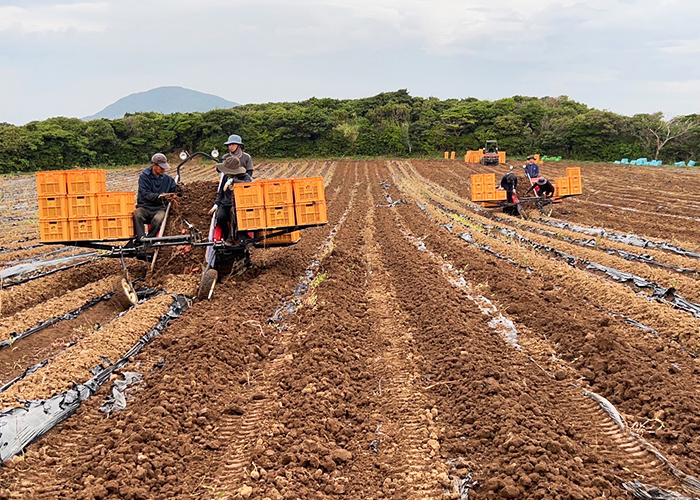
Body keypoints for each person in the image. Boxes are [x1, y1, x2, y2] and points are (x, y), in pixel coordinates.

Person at [133, 153, 179, 242]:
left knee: (158, 219)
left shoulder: (168, 179)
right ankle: (141, 239)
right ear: (154, 165)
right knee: (137, 214)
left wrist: (176, 194)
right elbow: (146, 194)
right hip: (145, 207)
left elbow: (175, 190)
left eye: (164, 168)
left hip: (160, 208)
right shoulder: (144, 177)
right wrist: (160, 196)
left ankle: (149, 240)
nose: (163, 170)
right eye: (161, 168)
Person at [208, 156, 252, 246]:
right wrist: (216, 204)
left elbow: (248, 184)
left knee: (233, 214)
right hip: (225, 203)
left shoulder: (244, 177)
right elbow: (220, 192)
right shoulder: (225, 177)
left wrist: (234, 181)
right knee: (220, 216)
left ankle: (231, 238)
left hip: (238, 204)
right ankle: (226, 234)